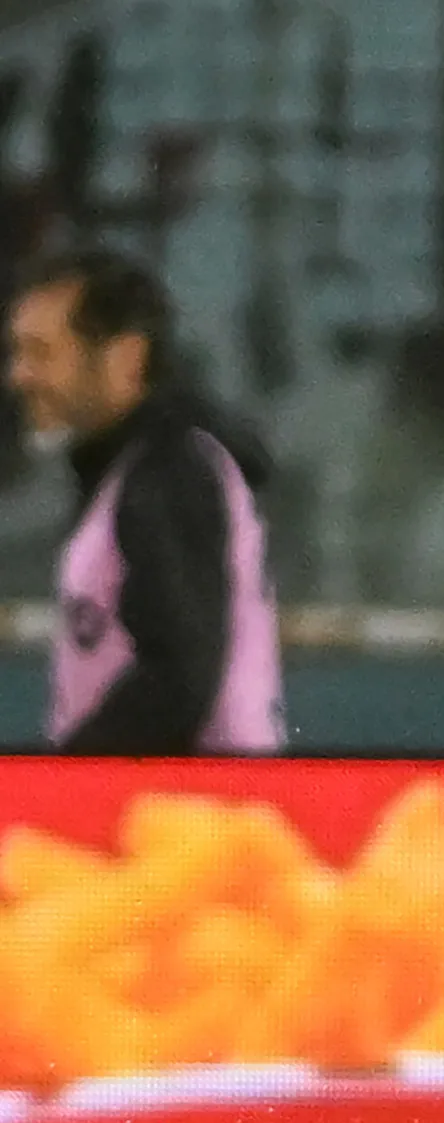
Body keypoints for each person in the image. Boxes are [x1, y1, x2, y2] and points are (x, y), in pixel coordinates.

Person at [5, 248, 282, 755]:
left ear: (125, 357)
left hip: (185, 820)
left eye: (41, 353)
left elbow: (178, 680)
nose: (18, 376)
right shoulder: (134, 468)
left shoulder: (167, 473)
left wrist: (57, 780)